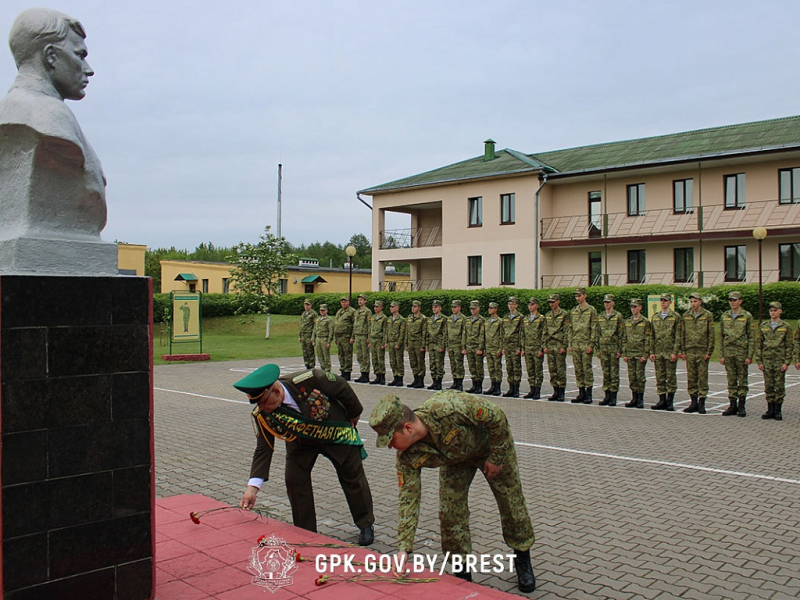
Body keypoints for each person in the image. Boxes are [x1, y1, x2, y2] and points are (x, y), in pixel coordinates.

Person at [369, 392, 536, 593]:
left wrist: (496, 457)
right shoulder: (406, 457)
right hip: (456, 461)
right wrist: (403, 549)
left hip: (490, 448)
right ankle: (462, 571)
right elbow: (408, 499)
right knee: (450, 513)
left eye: (390, 439)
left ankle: (522, 557)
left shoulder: (448, 408)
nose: (389, 446)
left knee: (511, 502)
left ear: (408, 428)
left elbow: (496, 417)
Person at [236, 364, 375, 545]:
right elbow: (264, 449)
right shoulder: (263, 415)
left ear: (276, 392)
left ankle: (365, 523)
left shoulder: (311, 379)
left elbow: (341, 386)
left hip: (334, 433)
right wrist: (252, 488)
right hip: (301, 443)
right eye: (258, 404)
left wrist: (354, 413)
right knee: (294, 480)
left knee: (352, 476)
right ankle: (306, 531)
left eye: (263, 402)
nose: (261, 408)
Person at [0, 8, 108, 242]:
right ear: (50, 56)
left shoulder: (9, 109)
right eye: (80, 55)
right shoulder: (48, 116)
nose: (88, 69)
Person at [718, 291, 755, 417]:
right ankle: (732, 405)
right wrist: (722, 354)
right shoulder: (725, 316)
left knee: (742, 379)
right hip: (728, 352)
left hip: (741, 352)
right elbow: (721, 336)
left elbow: (751, 337)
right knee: (731, 379)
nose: (732, 302)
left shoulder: (747, 316)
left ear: (740, 301)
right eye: (731, 300)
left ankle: (741, 405)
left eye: (735, 300)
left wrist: (749, 355)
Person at [678, 292, 715, 414]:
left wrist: (709, 351)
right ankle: (693, 402)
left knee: (702, 377)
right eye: (691, 302)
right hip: (690, 350)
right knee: (691, 377)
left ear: (700, 302)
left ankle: (702, 402)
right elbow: (682, 334)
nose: (693, 304)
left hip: (702, 350)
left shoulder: (707, 315)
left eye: (695, 301)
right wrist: (683, 350)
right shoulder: (686, 315)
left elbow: (711, 334)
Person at [755, 302, 792, 421]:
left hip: (779, 360)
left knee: (779, 386)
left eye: (775, 310)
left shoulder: (785, 326)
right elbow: (759, 344)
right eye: (771, 311)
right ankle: (770, 409)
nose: (773, 313)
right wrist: (759, 361)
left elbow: (789, 345)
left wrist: (786, 362)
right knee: (769, 385)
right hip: (767, 360)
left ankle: (778, 410)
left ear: (780, 311)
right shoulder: (764, 326)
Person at [649, 294, 680, 411]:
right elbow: (652, 335)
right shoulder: (655, 317)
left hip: (669, 351)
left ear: (670, 302)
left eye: (665, 300)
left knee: (671, 377)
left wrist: (675, 352)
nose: (663, 302)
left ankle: (670, 401)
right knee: (660, 376)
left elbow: (678, 336)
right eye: (661, 300)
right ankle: (662, 400)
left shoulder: (675, 317)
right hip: (658, 351)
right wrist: (652, 351)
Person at [567, 287, 598, 404]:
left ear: (585, 296)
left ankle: (589, 393)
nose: (577, 298)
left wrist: (591, 344)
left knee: (586, 369)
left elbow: (594, 328)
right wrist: (570, 344)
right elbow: (571, 328)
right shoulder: (574, 311)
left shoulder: (591, 310)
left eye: (579, 296)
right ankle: (581, 392)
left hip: (585, 343)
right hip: (576, 343)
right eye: (576, 296)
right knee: (578, 369)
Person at [622, 299, 654, 408]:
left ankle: (640, 398)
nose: (633, 309)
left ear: (640, 307)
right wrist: (625, 353)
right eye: (631, 307)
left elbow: (648, 339)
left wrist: (645, 354)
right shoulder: (628, 321)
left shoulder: (645, 322)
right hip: (630, 353)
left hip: (640, 353)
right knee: (632, 376)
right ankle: (634, 397)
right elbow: (624, 338)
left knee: (640, 376)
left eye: (635, 307)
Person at [597, 294, 623, 406]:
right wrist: (598, 349)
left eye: (608, 302)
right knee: (606, 372)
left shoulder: (618, 316)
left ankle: (613, 396)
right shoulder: (601, 316)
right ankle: (607, 395)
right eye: (605, 302)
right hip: (603, 347)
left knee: (614, 373)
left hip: (613, 347)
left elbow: (621, 334)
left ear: (613, 303)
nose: (606, 304)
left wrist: (620, 349)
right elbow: (598, 333)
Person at [544, 294, 570, 401]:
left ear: (558, 301)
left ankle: (561, 391)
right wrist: (544, 345)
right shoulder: (548, 315)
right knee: (552, 369)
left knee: (560, 369)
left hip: (559, 344)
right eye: (550, 302)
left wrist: (564, 345)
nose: (551, 304)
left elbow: (566, 331)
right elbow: (545, 331)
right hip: (550, 344)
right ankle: (555, 391)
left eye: (553, 302)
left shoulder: (564, 314)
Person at [521, 297, 546, 399]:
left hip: (537, 348)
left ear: (537, 306)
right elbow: (522, 334)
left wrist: (541, 349)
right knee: (530, 370)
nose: (530, 307)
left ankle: (537, 390)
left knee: (538, 370)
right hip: (528, 347)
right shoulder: (525, 319)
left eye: (532, 305)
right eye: (529, 305)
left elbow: (544, 334)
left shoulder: (541, 318)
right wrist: (523, 348)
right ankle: (532, 389)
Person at [501, 296, 524, 398]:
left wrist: (520, 347)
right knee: (509, 367)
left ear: (516, 305)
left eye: (513, 304)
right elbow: (503, 332)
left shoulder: (520, 317)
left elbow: (521, 333)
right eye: (509, 304)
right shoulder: (506, 317)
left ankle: (516, 389)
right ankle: (511, 388)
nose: (511, 306)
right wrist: (503, 346)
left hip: (515, 345)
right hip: (507, 345)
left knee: (516, 368)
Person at [405, 300, 428, 388]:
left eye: (415, 307)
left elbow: (424, 333)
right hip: (411, 342)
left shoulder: (423, 318)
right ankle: (415, 379)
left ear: (419, 308)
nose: (413, 308)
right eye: (412, 306)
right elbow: (407, 331)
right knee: (413, 362)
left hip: (418, 343)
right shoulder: (410, 318)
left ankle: (420, 380)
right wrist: (406, 343)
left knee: (420, 362)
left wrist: (423, 345)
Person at [426, 300, 448, 390]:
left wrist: (443, 345)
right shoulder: (430, 319)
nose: (434, 309)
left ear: (440, 308)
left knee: (439, 364)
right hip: (431, 344)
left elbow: (445, 333)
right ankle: (434, 381)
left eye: (436, 307)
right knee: (432, 364)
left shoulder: (444, 319)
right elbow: (427, 333)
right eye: (433, 307)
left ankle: (439, 382)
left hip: (439, 344)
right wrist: (427, 345)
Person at [446, 300, 468, 391]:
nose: (453, 309)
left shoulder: (463, 319)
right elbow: (446, 332)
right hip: (451, 344)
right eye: (452, 307)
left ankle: (459, 383)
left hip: (458, 344)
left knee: (459, 364)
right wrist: (447, 344)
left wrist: (463, 347)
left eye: (455, 307)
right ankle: (455, 381)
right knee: (453, 364)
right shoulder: (449, 318)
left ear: (459, 307)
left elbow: (464, 333)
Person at [465, 300, 486, 394]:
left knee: (479, 367)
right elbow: (465, 333)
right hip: (469, 346)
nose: (472, 310)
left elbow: (482, 335)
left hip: (477, 346)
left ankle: (479, 386)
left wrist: (480, 348)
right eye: (471, 309)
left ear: (478, 309)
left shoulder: (481, 320)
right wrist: (464, 346)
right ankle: (474, 385)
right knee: (472, 367)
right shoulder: (468, 320)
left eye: (474, 308)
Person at [334, 297, 356, 380]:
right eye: (342, 302)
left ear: (348, 302)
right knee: (341, 354)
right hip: (339, 337)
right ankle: (342, 370)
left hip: (346, 337)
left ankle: (347, 372)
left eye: (345, 302)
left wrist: (352, 337)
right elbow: (336, 324)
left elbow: (354, 325)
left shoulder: (352, 311)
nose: (343, 303)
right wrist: (336, 337)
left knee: (347, 355)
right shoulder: (339, 311)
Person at [485, 302, 504, 396]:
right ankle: (492, 385)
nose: (490, 310)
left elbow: (502, 336)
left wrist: (500, 349)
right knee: (491, 368)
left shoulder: (500, 321)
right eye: (489, 308)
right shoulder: (487, 321)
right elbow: (484, 336)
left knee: (497, 368)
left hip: (496, 348)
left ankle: (498, 387)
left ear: (496, 309)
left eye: (492, 308)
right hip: (488, 347)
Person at [386, 300, 407, 387]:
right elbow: (387, 331)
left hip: (397, 343)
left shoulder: (401, 319)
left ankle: (400, 378)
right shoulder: (390, 319)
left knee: (399, 361)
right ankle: (395, 376)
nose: (391, 308)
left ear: (397, 308)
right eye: (390, 307)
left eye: (393, 307)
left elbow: (402, 333)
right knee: (392, 361)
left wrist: (399, 343)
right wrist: (386, 341)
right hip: (391, 342)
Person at [368, 300, 388, 385]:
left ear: (381, 307)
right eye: (374, 307)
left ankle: (382, 376)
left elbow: (385, 331)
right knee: (374, 359)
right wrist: (369, 340)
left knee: (380, 359)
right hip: (373, 340)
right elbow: (370, 329)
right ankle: (377, 375)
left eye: (377, 307)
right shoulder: (372, 317)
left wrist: (384, 342)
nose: (375, 308)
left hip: (379, 340)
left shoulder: (384, 318)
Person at [352, 294, 372, 383]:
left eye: (361, 300)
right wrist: (353, 336)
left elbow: (369, 325)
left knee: (365, 355)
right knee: (359, 356)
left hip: (364, 335)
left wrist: (369, 337)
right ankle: (362, 372)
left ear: (365, 301)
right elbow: (355, 324)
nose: (360, 301)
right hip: (357, 335)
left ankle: (366, 374)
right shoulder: (357, 312)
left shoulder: (368, 311)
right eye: (359, 300)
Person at [312, 304, 334, 372]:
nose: (322, 312)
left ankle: (327, 369)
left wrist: (329, 341)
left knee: (326, 355)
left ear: (326, 310)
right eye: (321, 310)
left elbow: (331, 331)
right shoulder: (318, 319)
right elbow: (315, 329)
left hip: (324, 338)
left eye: (323, 310)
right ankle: (323, 368)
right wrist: (313, 339)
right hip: (318, 338)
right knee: (319, 355)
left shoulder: (329, 319)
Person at [299, 299, 317, 370]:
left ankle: (311, 366)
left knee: (310, 351)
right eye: (305, 305)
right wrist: (300, 336)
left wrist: (313, 337)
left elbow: (315, 325)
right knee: (305, 351)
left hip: (309, 335)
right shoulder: (303, 314)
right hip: (303, 335)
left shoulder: (313, 314)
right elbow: (302, 325)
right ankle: (307, 365)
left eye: (308, 305)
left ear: (310, 305)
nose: (306, 306)